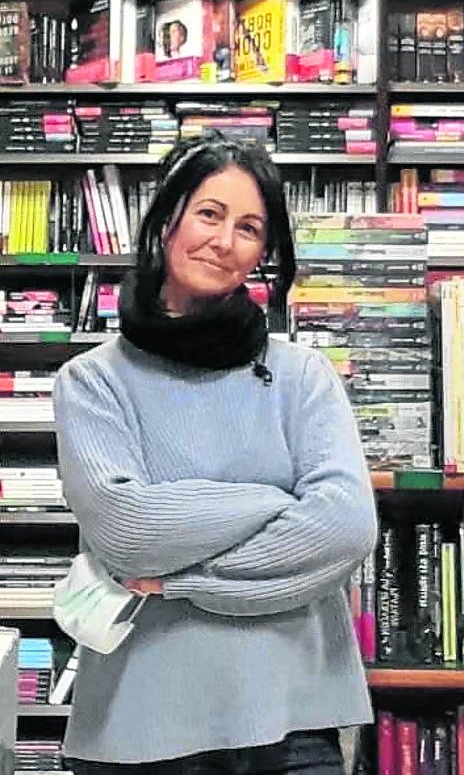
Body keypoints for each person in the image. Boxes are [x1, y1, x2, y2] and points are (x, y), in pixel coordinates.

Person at [53, 136, 377, 773]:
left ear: (264, 251)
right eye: (209, 213)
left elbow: (345, 527)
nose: (224, 241)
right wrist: (275, 502)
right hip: (140, 726)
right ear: (167, 218)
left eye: (249, 228)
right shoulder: (92, 382)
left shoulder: (302, 376)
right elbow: (128, 532)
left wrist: (181, 583)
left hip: (293, 723)